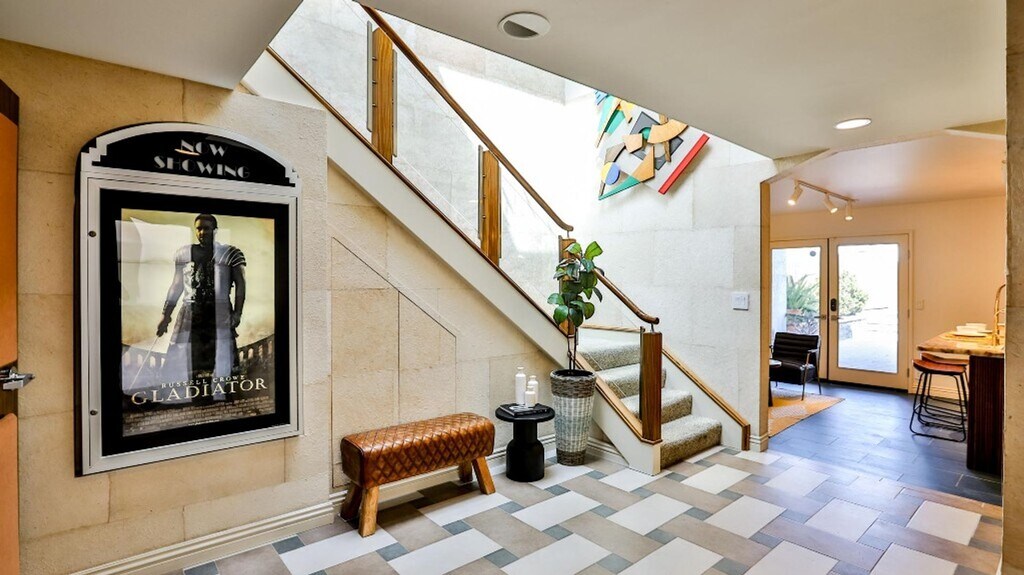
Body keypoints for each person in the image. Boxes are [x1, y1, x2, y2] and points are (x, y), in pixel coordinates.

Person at [157, 214, 246, 392]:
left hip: (219, 311)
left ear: (215, 230)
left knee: (221, 361)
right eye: (199, 228)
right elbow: (176, 286)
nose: (202, 232)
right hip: (189, 311)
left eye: (206, 228)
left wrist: (237, 313)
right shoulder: (184, 253)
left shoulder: (230, 253)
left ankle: (219, 396)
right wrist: (165, 316)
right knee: (182, 359)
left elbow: (241, 286)